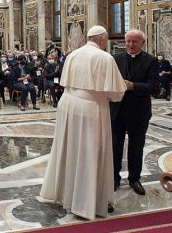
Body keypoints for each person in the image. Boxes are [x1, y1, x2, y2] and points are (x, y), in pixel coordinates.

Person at [40, 25, 126, 219]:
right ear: (103, 39)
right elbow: (116, 93)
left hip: (68, 104)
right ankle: (88, 202)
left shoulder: (72, 55)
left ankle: (65, 194)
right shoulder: (105, 58)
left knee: (68, 149)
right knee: (90, 153)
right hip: (90, 107)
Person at [110, 29, 159, 196]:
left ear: (142, 43)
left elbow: (154, 88)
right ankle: (114, 178)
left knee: (136, 147)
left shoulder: (150, 61)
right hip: (117, 112)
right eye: (128, 41)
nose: (130, 45)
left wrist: (133, 86)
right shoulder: (115, 59)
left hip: (139, 112)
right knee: (115, 146)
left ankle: (134, 178)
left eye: (134, 42)